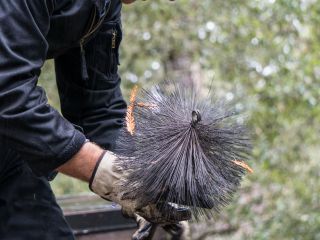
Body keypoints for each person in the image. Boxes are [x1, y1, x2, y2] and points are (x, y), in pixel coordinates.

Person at [0, 0, 190, 239]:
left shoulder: (104, 7)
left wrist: (144, 184)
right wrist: (111, 176)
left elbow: (96, 106)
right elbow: (9, 94)